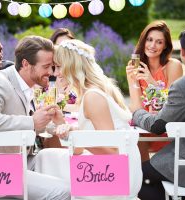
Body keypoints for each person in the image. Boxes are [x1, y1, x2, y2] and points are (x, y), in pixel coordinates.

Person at [0, 35, 70, 200]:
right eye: (46, 67)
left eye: (52, 66)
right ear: (25, 64)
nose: (51, 73)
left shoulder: (26, 86)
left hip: (15, 162)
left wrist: (56, 124)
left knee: (58, 160)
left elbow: (28, 126)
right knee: (63, 191)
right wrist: (32, 122)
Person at [34, 39, 142, 200]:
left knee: (44, 158)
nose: (54, 73)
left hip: (118, 175)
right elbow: (78, 150)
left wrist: (75, 135)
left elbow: (113, 151)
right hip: (114, 168)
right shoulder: (92, 92)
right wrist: (61, 123)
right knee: (45, 156)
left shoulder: (93, 96)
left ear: (73, 66)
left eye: (58, 66)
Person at [130, 25, 185, 200]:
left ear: (183, 52)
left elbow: (156, 125)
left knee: (138, 175)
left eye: (159, 41)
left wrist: (136, 114)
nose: (153, 45)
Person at [126, 20, 183, 160]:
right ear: (143, 41)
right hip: (143, 125)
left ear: (165, 46)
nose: (152, 45)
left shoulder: (173, 66)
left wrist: (150, 80)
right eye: (149, 40)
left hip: (165, 125)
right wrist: (133, 80)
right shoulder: (135, 65)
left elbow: (171, 106)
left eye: (159, 42)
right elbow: (137, 107)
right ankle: (142, 176)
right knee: (130, 135)